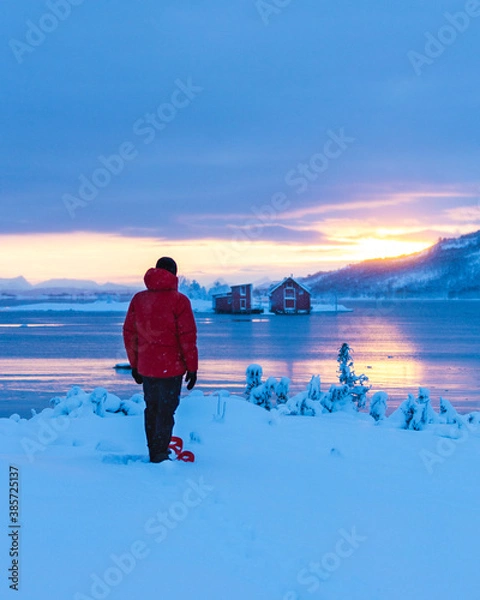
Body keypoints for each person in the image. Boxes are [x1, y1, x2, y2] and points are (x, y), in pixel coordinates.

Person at [123, 257, 198, 463]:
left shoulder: (139, 300)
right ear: (174, 274)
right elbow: (187, 337)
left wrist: (135, 364)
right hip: (171, 368)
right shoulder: (179, 301)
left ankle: (155, 450)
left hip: (147, 367)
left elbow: (130, 334)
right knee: (166, 411)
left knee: (152, 408)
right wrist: (192, 368)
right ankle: (160, 455)